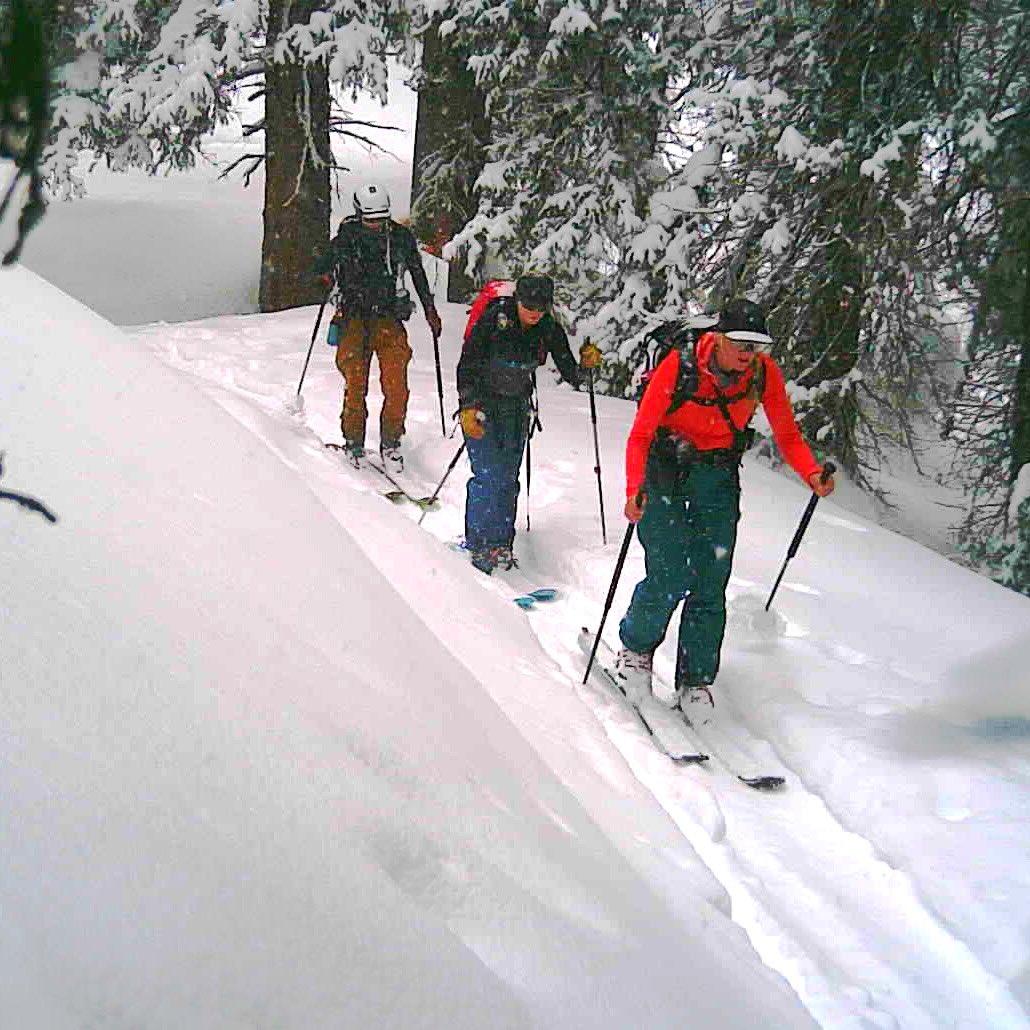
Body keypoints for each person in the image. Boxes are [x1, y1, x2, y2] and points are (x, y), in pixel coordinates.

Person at [613, 299, 835, 712]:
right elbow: (640, 435)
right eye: (740, 343)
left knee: (711, 580)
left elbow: (787, 435)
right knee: (669, 573)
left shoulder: (763, 374)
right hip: (664, 472)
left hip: (716, 479)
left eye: (757, 345)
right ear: (716, 339)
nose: (749, 354)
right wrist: (633, 488)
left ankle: (695, 680)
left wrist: (810, 473)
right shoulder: (679, 368)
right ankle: (634, 651)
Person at [457, 273, 602, 574]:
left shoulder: (547, 327)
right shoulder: (496, 317)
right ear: (517, 300)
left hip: (517, 408)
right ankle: (478, 543)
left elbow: (571, 373)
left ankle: (500, 542)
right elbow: (468, 362)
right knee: (487, 473)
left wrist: (586, 367)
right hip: (483, 402)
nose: (534, 313)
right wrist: (468, 405)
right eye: (528, 306)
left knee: (508, 475)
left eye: (541, 307)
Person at [315, 183, 442, 470]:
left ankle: (392, 442)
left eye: (381, 219)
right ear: (359, 213)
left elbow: (418, 273)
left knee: (397, 386)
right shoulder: (345, 238)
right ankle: (354, 441)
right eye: (370, 219)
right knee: (355, 384)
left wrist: (430, 310)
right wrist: (324, 277)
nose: (375, 225)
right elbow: (320, 267)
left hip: (388, 319)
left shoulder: (400, 238)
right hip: (353, 320)